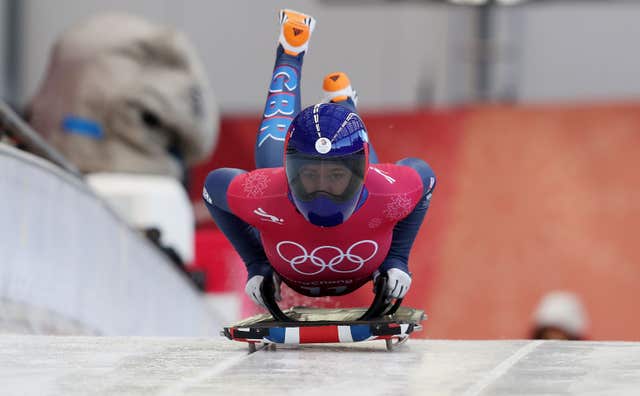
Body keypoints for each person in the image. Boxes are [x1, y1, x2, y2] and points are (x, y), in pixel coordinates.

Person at [203, 9, 436, 309]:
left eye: (336, 176)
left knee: (373, 180)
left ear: (358, 172)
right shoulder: (264, 191)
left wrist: (397, 259)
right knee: (270, 165)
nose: (322, 189)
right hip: (303, 197)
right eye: (310, 175)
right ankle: (296, 53)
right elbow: (213, 190)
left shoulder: (392, 190)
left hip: (369, 191)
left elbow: (426, 179)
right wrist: (256, 264)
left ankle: (327, 87)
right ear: (293, 170)